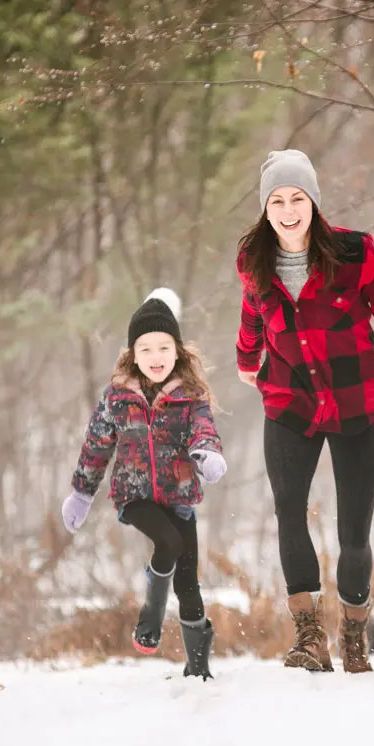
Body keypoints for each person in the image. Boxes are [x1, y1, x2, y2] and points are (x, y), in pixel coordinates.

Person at [236, 149, 374, 674]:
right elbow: (254, 310)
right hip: (290, 402)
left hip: (356, 403)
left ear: (314, 202)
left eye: (297, 198)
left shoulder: (353, 253)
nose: (288, 209)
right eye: (277, 200)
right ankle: (309, 637)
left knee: (353, 530)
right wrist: (247, 359)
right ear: (265, 207)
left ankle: (353, 633)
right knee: (288, 508)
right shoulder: (253, 258)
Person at [60, 288, 227, 680]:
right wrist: (82, 493)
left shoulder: (190, 396)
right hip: (134, 495)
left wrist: (208, 453)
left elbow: (204, 428)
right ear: (133, 353)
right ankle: (150, 616)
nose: (156, 358)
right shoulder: (118, 396)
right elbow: (97, 445)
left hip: (179, 496)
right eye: (146, 349)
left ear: (178, 351)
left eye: (164, 348)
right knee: (168, 542)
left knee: (188, 585)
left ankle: (198, 671)